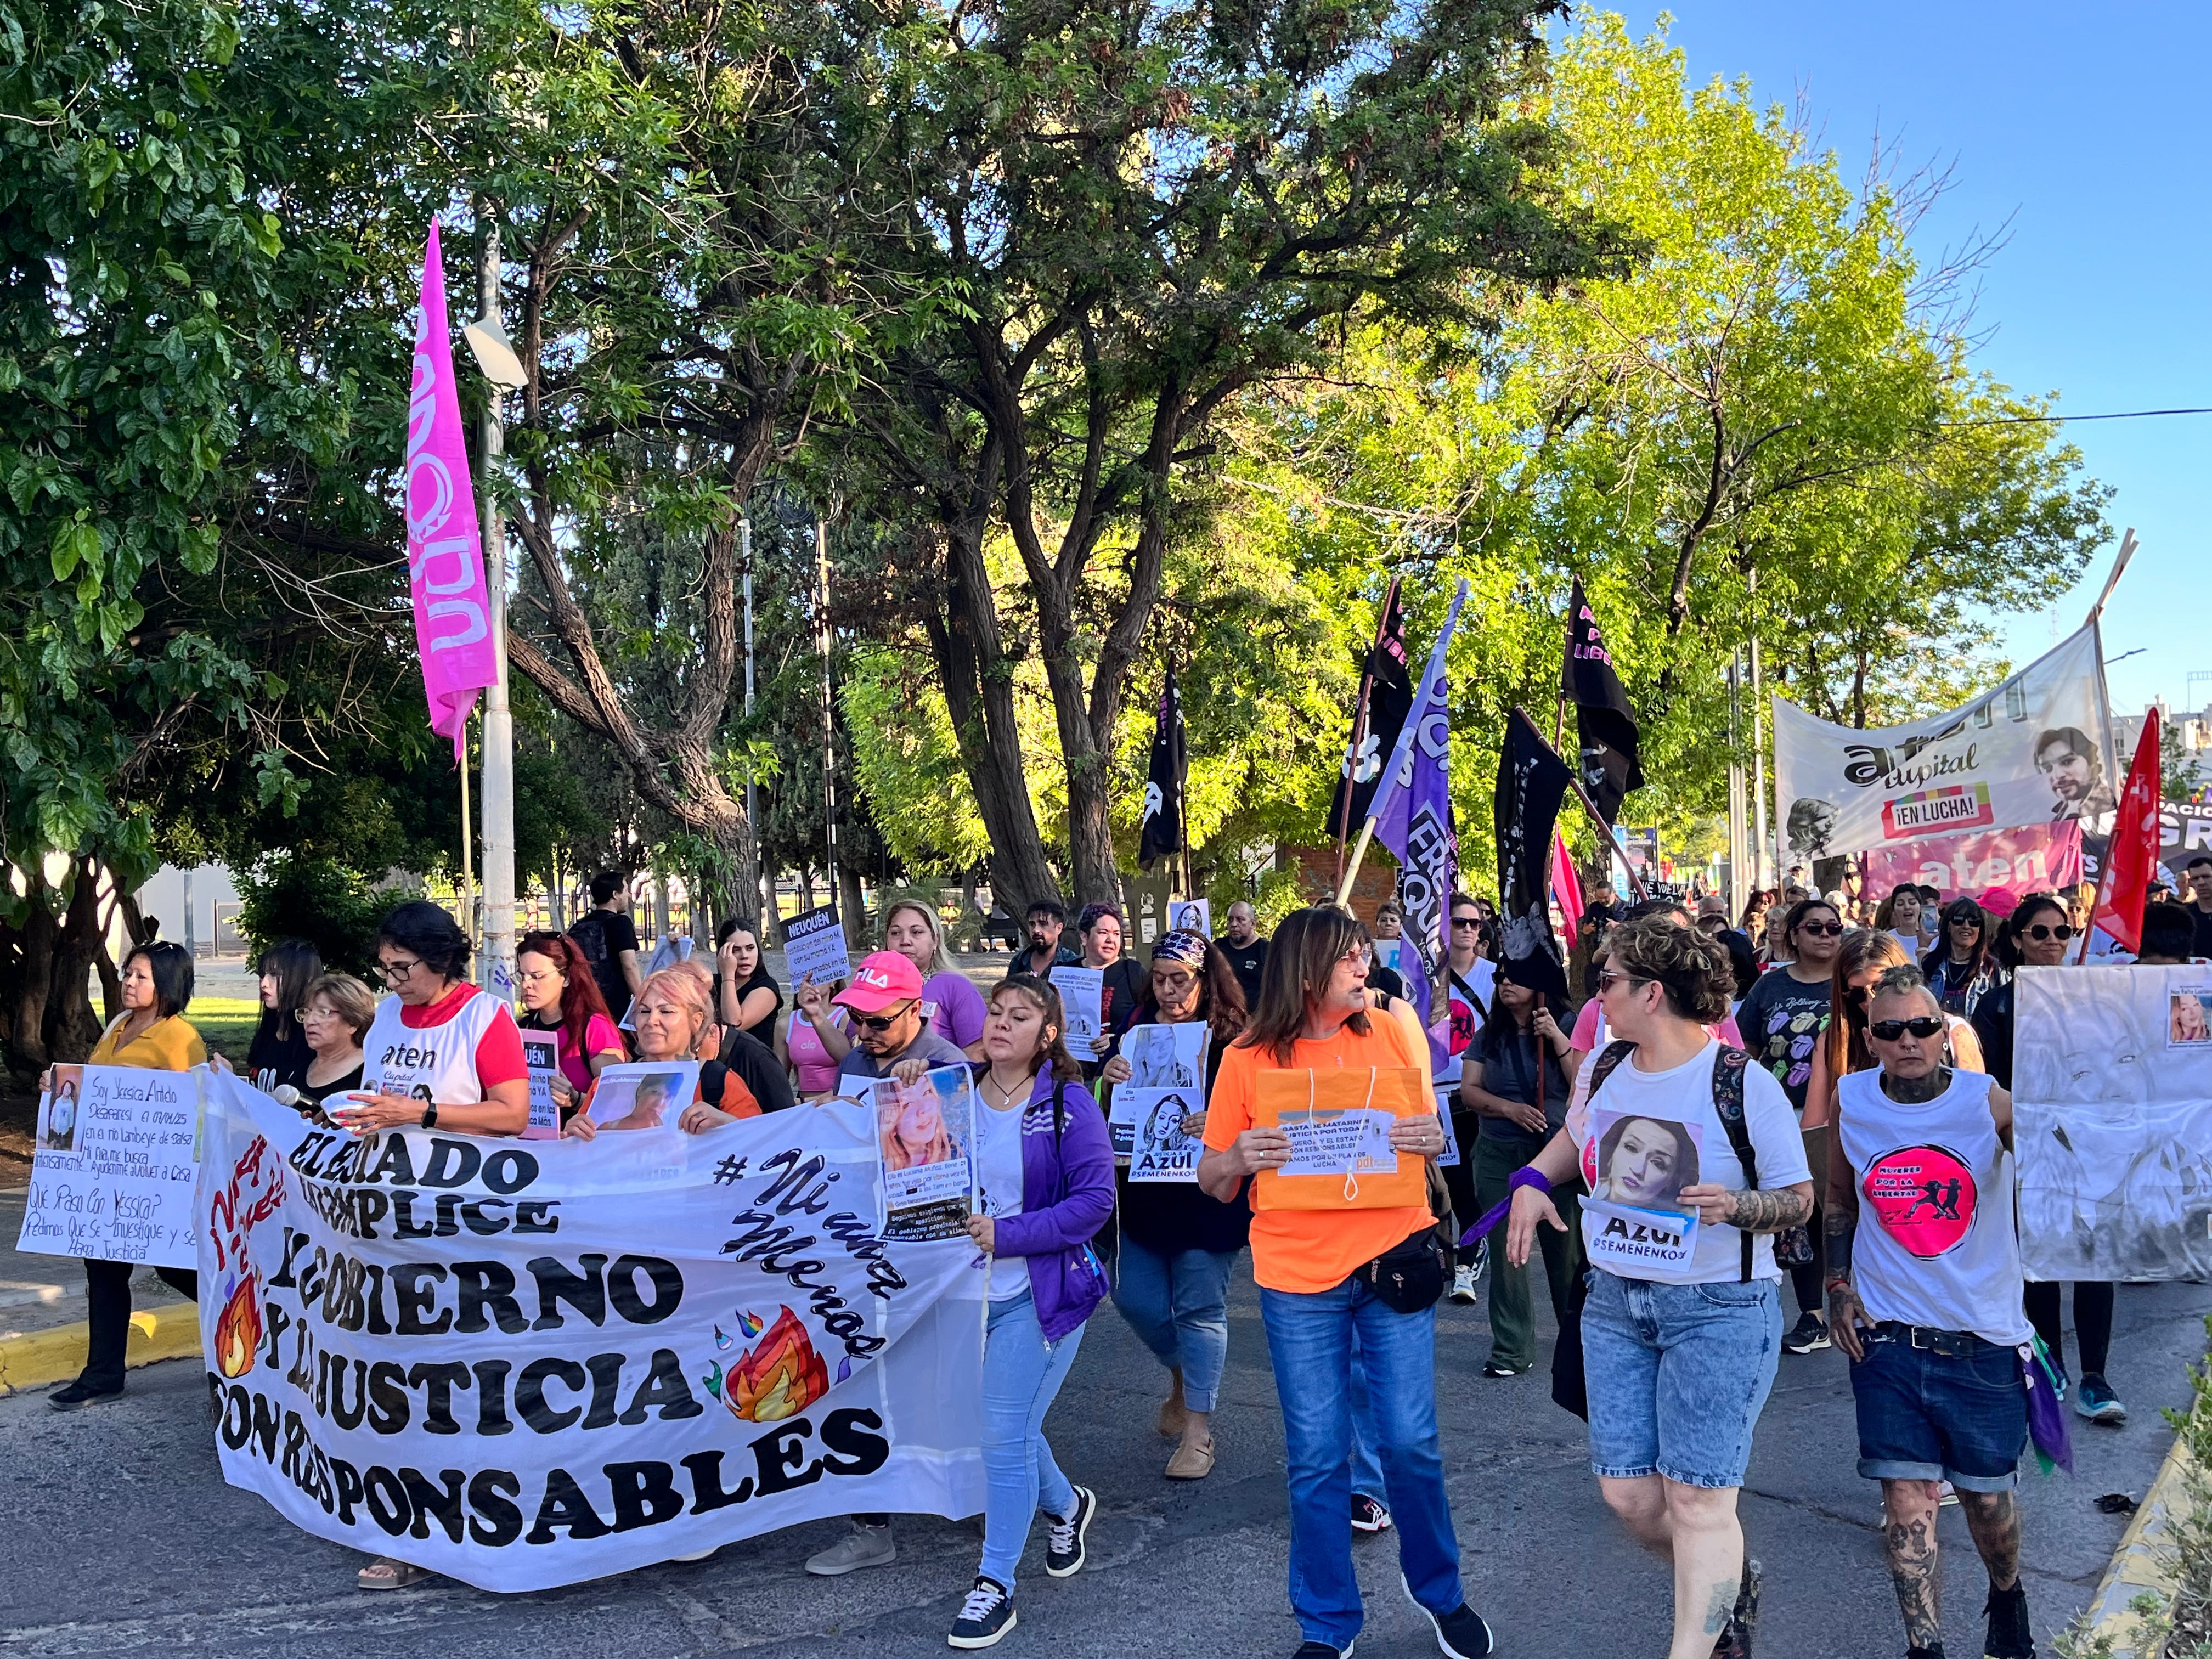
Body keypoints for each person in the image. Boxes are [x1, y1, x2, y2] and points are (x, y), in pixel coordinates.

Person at [1507, 917, 1813, 1659]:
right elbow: (1577, 1139)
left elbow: (1798, 1198)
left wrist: (1738, 1206)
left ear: (1651, 992)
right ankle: (1725, 1586)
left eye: (1606, 979)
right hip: (1615, 1304)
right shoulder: (1605, 1066)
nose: (1595, 993)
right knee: (1632, 1498)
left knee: (1699, 1501)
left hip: (1718, 1309)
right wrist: (1527, 1182)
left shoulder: (1743, 1085)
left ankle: (1695, 1643)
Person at [1200, 906, 1494, 1659]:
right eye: (1350, 959)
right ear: (1306, 973)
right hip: (1298, 1278)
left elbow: (1428, 1134)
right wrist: (1238, 1158)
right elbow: (1210, 1178)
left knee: (1410, 1442)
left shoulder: (1394, 1032)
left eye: (1365, 956)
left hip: (1392, 1259)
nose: (1365, 968)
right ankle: (1328, 1624)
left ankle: (1441, 1592)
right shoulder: (1245, 1058)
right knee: (1318, 1457)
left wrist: (1434, 1140)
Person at [1825, 966, 2037, 1659]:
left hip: (1982, 1338)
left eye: (1922, 1027)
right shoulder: (1853, 1099)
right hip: (1888, 1340)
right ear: (1870, 1038)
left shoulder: (1988, 1102)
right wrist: (1837, 1285)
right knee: (1906, 1505)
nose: (1908, 1040)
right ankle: (1926, 1648)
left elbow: (2059, 1166)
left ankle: (2007, 1598)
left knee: (1986, 1506)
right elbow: (1838, 1199)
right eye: (1891, 1030)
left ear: (1945, 1033)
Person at [946, 975, 1115, 1649]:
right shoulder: (951, 1092)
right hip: (958, 1298)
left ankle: (996, 1586)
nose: (1001, 1024)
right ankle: (1068, 1506)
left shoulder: (1069, 1102)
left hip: (1039, 1295)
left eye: (1020, 1016)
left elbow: (1095, 1202)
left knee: (1001, 1436)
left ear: (1047, 1036)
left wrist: (1008, 1235)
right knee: (1007, 1425)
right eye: (995, 1011)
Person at [805, 949, 976, 1578]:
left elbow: (960, 1167)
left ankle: (1003, 1494)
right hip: (864, 1248)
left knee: (950, 1382)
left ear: (917, 1011)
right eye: (858, 1019)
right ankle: (870, 1525)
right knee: (866, 1380)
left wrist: (926, 1090)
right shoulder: (855, 1060)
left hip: (934, 1254)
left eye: (878, 1022)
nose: (864, 1033)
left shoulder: (946, 1063)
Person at [1969, 893, 2124, 1424]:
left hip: (2091, 1148)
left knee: (2094, 1260)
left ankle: (2096, 1378)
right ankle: (2049, 1368)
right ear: (2018, 940)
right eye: (2040, 932)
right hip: (2031, 1150)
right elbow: (1989, 1084)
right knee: (2038, 1266)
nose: (2053, 941)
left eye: (2062, 932)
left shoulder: (2097, 1000)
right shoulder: (1996, 1006)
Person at [1101, 930, 1250, 1480]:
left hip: (1208, 1197)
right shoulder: (1134, 1031)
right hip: (1142, 1193)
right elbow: (1105, 1115)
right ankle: (1187, 1374)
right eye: (1158, 980)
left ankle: (1198, 1433)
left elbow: (1261, 1112)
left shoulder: (1237, 1039)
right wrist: (1109, 1077)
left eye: (1179, 980)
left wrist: (1221, 1122)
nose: (1167, 991)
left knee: (1200, 1310)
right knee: (1133, 1297)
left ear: (1206, 980)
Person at [46, 941, 206, 1412]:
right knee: (103, 1270)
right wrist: (54, 1090)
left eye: (141, 977)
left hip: (157, 1183)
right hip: (109, 1177)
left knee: (175, 1267)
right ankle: (102, 1376)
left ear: (168, 985)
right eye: (128, 973)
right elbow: (95, 1088)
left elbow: (193, 1114)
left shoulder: (181, 1039)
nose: (129, 983)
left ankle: (250, 1325)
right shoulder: (117, 1027)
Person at [1736, 897, 1844, 1352]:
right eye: (1815, 927)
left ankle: (1863, 1305)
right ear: (1794, 934)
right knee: (1802, 1214)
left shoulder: (1852, 984)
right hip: (1784, 1117)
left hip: (1843, 1116)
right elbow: (1746, 1050)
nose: (1826, 935)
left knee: (1843, 1211)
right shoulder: (1770, 986)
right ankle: (1812, 1316)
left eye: (1834, 928)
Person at [1456, 954, 1572, 1378]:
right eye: (1501, 978)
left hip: (1557, 1157)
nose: (1505, 984)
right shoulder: (1490, 1035)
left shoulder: (1567, 1024)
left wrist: (1556, 1038)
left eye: (1516, 978)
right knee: (1509, 1253)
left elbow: (1583, 1084)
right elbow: (1470, 1091)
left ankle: (1578, 1345)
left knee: (1567, 1254)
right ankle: (1511, 1348)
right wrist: (1509, 1110)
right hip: (1499, 1154)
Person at [566, 966, 790, 1138]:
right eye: (644, 1011)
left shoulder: (720, 1082)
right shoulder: (608, 1083)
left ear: (696, 1021)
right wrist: (573, 1135)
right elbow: (580, 1159)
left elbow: (764, 1147)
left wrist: (726, 1123)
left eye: (666, 1011)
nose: (652, 1021)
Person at [515, 930, 625, 1110]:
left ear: (565, 978)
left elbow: (617, 1099)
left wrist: (576, 1100)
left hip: (581, 1134)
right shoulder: (523, 1028)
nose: (526, 984)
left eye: (537, 976)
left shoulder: (593, 1027)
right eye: (522, 976)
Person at [884, 897, 989, 1057]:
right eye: (896, 933)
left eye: (916, 932)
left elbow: (977, 1053)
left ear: (936, 940)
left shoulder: (956, 987)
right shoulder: (872, 985)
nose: (905, 941)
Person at [1066, 903, 1146, 1074]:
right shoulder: (1065, 974)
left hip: (1117, 1076)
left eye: (1116, 934)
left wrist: (1117, 1040)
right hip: (1071, 1075)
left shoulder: (1133, 972)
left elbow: (1150, 1023)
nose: (1111, 940)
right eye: (1103, 933)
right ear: (1084, 937)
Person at [245, 938, 321, 1093]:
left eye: (275, 975)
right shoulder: (267, 1035)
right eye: (262, 975)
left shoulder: (316, 1041)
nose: (264, 983)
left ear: (306, 978)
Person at [294, 972, 375, 1115]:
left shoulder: (370, 1073)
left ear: (353, 1022)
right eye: (308, 1012)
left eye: (324, 1013)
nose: (309, 1021)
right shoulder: (299, 1062)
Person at [568, 872, 643, 1022]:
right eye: (626, 890)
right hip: (615, 1005)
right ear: (615, 894)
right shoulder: (621, 923)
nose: (629, 896)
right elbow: (630, 966)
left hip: (585, 1003)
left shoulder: (579, 926)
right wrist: (642, 999)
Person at [1922, 899, 2002, 1018]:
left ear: (1980, 929)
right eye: (1958, 920)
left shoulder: (1992, 968)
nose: (1966, 926)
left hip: (1977, 1035)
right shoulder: (1930, 964)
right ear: (1948, 926)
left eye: (1974, 922)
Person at [775, 978, 850, 1097]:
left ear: (833, 982)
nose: (811, 980)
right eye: (805, 975)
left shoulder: (845, 1017)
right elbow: (779, 1077)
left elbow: (848, 1060)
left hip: (837, 1102)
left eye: (820, 975)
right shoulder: (785, 1024)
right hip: (803, 1104)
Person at [713, 917, 782, 1044]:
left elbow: (734, 1024)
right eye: (736, 950)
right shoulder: (713, 983)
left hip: (751, 1062)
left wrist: (728, 974)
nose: (744, 956)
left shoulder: (766, 987)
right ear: (721, 953)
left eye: (750, 948)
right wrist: (675, 950)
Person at [2035, 726, 2115, 822]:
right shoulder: (2054, 813)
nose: (2058, 775)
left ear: (2091, 762)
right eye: (2048, 768)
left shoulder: (2113, 807)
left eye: (2067, 762)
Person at [1010, 899, 1081, 980]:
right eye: (1032, 924)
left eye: (1043, 924)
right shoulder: (1019, 961)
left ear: (1059, 928)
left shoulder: (1072, 963)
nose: (1036, 930)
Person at [1221, 901, 1270, 1007]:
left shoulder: (1266, 951)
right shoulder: (1218, 947)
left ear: (1253, 923)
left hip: (1256, 1016)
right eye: (1230, 919)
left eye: (1240, 920)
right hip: (1223, 1015)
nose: (1234, 924)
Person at [2136, 901, 2202, 967]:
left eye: (2169, 970)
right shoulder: (2128, 975)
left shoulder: (2202, 976)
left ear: (2186, 961)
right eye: (2149, 970)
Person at [1874, 883, 1927, 960]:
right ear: (1894, 910)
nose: (1907, 907)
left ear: (1921, 907)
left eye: (1912, 903)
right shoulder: (1886, 940)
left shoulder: (1934, 939)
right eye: (1900, 904)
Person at [2183, 855, 2212, 958]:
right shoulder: (2184, 916)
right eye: (2196, 879)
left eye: (2206, 877)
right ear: (2190, 883)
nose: (2201, 883)